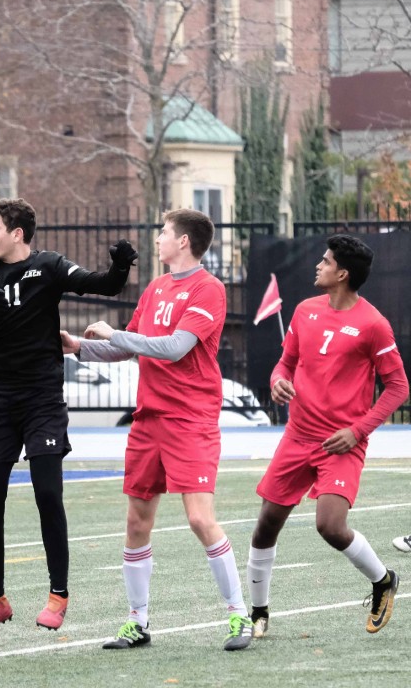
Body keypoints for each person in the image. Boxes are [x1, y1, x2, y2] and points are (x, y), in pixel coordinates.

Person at [63, 208, 252, 652]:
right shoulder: (155, 288)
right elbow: (127, 347)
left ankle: (238, 616)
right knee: (136, 523)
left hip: (190, 421)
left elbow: (172, 348)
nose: (158, 239)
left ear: (184, 241)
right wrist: (78, 348)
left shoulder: (209, 289)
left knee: (200, 519)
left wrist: (114, 334)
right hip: (149, 421)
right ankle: (138, 622)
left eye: (164, 232)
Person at [0, 198, 136, 634]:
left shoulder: (50, 266)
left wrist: (120, 265)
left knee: (47, 495)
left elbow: (104, 285)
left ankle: (58, 595)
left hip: (42, 398)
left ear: (16, 233)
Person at [246, 234, 408, 637]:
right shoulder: (304, 311)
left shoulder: (373, 324)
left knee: (330, 526)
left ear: (343, 273)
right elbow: (285, 364)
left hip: (340, 444)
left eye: (325, 260)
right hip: (297, 437)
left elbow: (398, 388)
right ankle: (259, 611)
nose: (318, 265)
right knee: (266, 524)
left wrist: (357, 432)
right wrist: (278, 379)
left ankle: (383, 580)